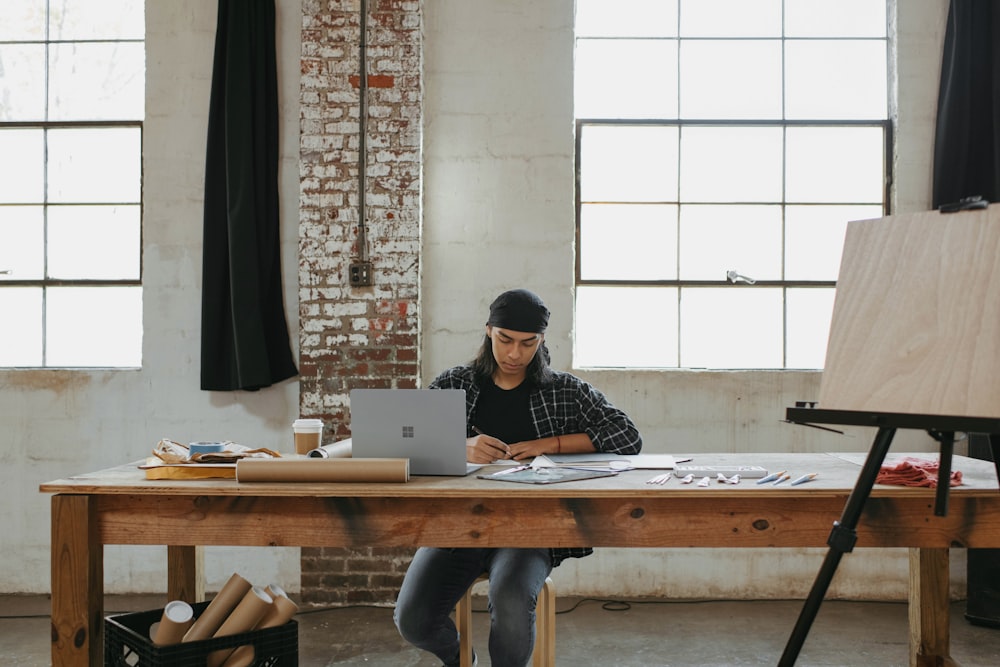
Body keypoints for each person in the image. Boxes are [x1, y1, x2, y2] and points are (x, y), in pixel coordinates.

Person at [394, 288, 642, 667]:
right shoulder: (455, 384)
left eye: (528, 344)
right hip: (458, 525)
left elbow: (627, 436)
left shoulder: (564, 390)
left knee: (510, 600)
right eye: (505, 340)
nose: (514, 354)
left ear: (541, 340)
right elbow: (402, 439)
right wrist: (461, 445)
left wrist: (551, 444)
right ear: (488, 331)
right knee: (412, 618)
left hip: (529, 528)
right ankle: (463, 661)